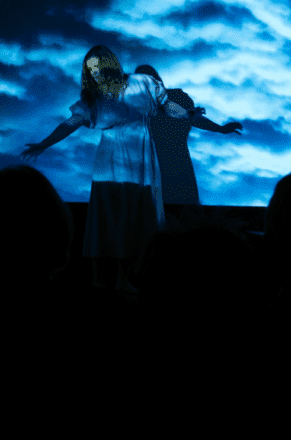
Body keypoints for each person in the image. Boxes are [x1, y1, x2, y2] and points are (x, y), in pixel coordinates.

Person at [20, 45, 202, 295]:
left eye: (97, 66)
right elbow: (70, 123)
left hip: (141, 168)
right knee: (107, 223)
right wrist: (44, 143)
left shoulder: (143, 84)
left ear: (110, 64)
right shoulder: (93, 100)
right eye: (90, 69)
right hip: (110, 166)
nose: (95, 72)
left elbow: (167, 106)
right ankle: (101, 288)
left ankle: (130, 287)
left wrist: (186, 113)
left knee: (137, 226)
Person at [134, 65, 242, 206]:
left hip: (178, 166)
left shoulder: (175, 98)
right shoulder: (138, 108)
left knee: (183, 209)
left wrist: (220, 129)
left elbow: (193, 118)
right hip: (154, 169)